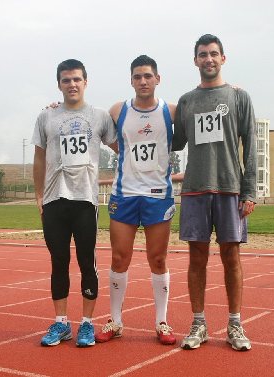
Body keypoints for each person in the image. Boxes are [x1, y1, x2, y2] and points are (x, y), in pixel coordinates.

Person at [172, 34, 257, 351]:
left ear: (223, 58)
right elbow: (175, 141)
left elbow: (251, 144)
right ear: (195, 60)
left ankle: (235, 325)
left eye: (213, 54)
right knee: (197, 260)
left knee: (231, 258)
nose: (208, 59)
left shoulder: (239, 97)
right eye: (202, 54)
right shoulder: (187, 101)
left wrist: (250, 191)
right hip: (195, 190)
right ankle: (199, 323)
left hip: (229, 189)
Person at [32, 59, 116, 347]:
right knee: (59, 262)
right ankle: (61, 323)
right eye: (66, 80)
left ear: (86, 82)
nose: (72, 84)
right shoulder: (46, 117)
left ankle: (87, 324)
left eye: (77, 79)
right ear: (59, 84)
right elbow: (40, 157)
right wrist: (38, 195)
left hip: (85, 200)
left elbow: (121, 146)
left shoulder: (100, 116)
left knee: (86, 262)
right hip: (54, 200)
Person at [95, 55, 177, 345]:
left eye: (148, 76)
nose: (143, 81)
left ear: (158, 78)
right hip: (125, 193)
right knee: (119, 258)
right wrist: (55, 108)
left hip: (158, 195)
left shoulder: (171, 111)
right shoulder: (118, 110)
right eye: (137, 77)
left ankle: (162, 322)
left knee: (158, 258)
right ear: (131, 80)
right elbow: (97, 129)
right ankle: (115, 321)